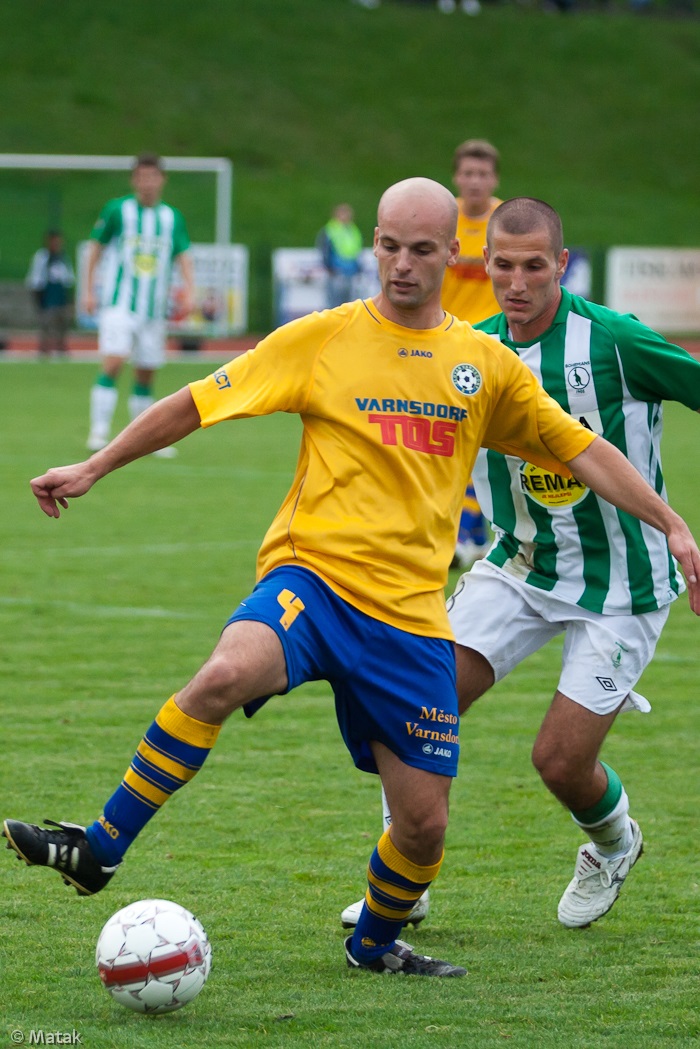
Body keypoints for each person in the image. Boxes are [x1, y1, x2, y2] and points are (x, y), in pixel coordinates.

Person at [5, 181, 699, 979]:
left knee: (423, 827)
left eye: (421, 250)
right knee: (225, 672)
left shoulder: (485, 367)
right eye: (389, 247)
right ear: (374, 243)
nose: (402, 265)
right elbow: (196, 402)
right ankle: (99, 847)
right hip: (315, 581)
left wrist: (670, 521)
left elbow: (584, 451)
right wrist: (96, 464)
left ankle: (374, 945)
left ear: (450, 256)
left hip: (408, 618)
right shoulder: (323, 338)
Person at [341, 196, 700, 933]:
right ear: (485, 265)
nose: (517, 280)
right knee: (410, 707)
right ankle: (404, 874)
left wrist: (674, 525)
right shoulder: (469, 353)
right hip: (520, 569)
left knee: (560, 762)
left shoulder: (615, 341)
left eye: (534, 265)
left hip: (621, 588)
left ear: (560, 265)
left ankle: (613, 842)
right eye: (502, 265)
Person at [83, 152, 194, 457]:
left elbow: (183, 254)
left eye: (153, 176)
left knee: (146, 372)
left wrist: (190, 290)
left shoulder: (172, 217)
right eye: (142, 177)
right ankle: (99, 430)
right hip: (119, 304)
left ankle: (145, 437)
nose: (147, 183)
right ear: (134, 180)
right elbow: (95, 248)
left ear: (162, 180)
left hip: (154, 310)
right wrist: (88, 290)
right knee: (115, 361)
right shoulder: (118, 210)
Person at [442, 139, 502, 571]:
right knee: (454, 442)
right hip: (450, 344)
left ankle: (479, 534)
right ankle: (468, 534)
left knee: (494, 445)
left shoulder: (508, 220)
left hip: (499, 345)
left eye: (483, 174)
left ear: (494, 179)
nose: (475, 181)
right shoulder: (443, 218)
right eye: (468, 173)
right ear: (456, 178)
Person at [25, 230, 75, 357]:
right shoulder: (42, 257)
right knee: (46, 324)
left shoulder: (63, 257)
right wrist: (38, 297)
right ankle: (44, 349)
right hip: (46, 296)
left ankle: (61, 347)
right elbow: (35, 278)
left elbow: (68, 278)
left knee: (62, 324)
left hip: (60, 296)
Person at [316, 203, 363, 309]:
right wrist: (328, 267)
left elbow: (356, 250)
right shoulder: (330, 230)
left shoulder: (353, 230)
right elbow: (324, 249)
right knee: (335, 304)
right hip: (336, 272)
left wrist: (358, 267)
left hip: (351, 272)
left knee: (350, 304)